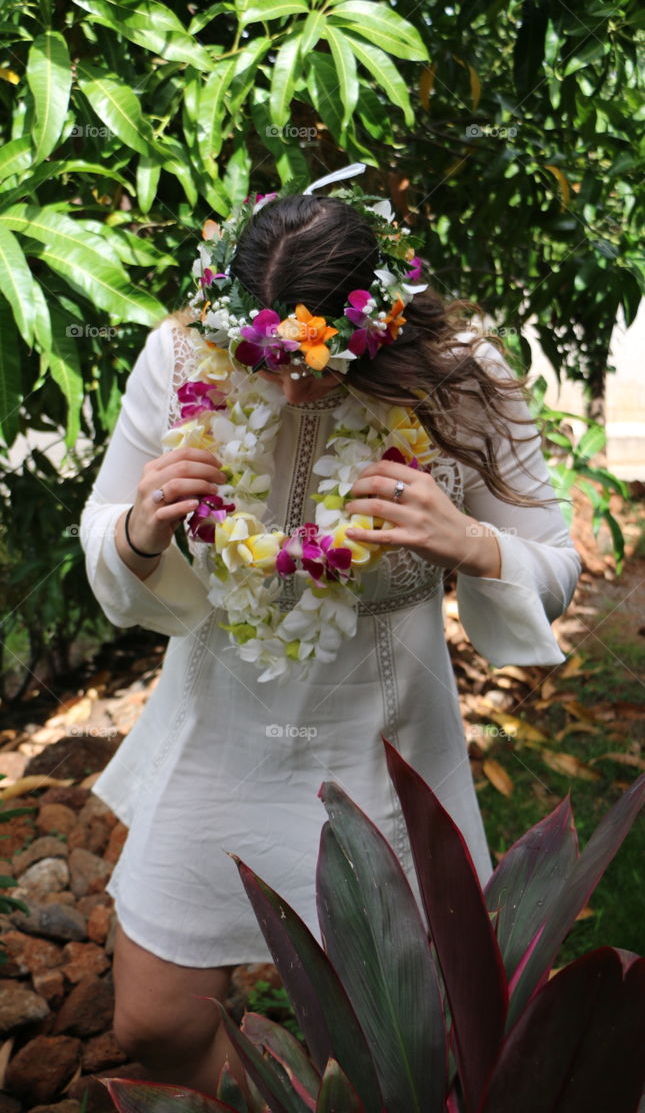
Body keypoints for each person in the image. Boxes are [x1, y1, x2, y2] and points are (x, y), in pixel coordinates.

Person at [78, 166, 581, 1098]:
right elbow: (104, 528)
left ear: (380, 331)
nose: (289, 391)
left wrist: (465, 540)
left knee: (400, 1052)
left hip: (383, 747)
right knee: (152, 1024)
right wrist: (141, 530)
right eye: (262, 361)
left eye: (314, 368)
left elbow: (553, 567)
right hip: (217, 726)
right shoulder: (182, 356)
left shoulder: (463, 374)